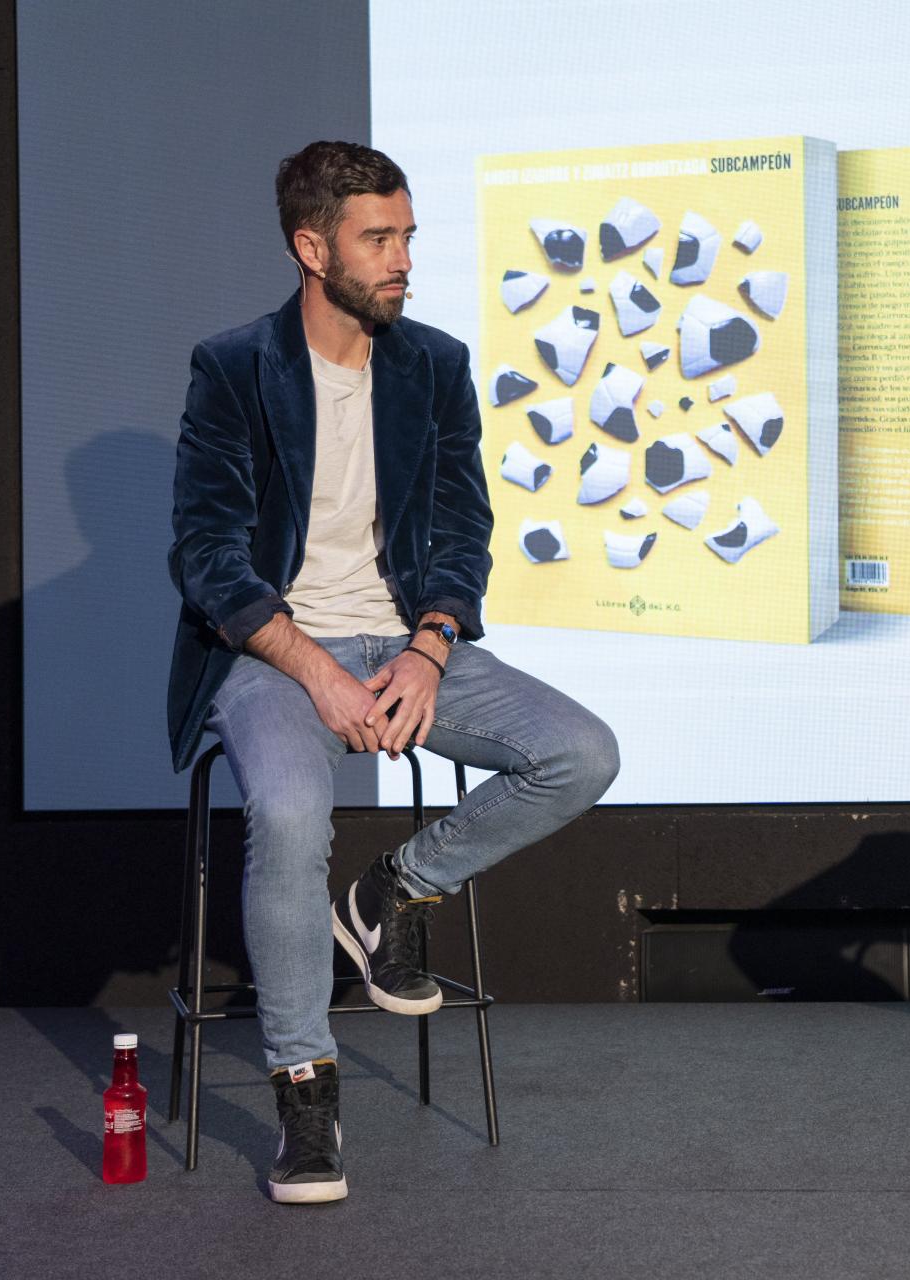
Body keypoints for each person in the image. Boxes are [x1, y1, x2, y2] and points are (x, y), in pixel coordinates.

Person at [167, 141, 619, 1203]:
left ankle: (392, 890)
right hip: (274, 653)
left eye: (408, 235)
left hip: (403, 645)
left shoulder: (434, 364)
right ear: (311, 247)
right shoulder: (233, 368)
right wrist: (317, 671)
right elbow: (208, 557)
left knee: (582, 753)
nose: (403, 258)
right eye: (379, 239)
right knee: (288, 813)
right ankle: (305, 1088)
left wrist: (430, 644)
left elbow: (463, 530)